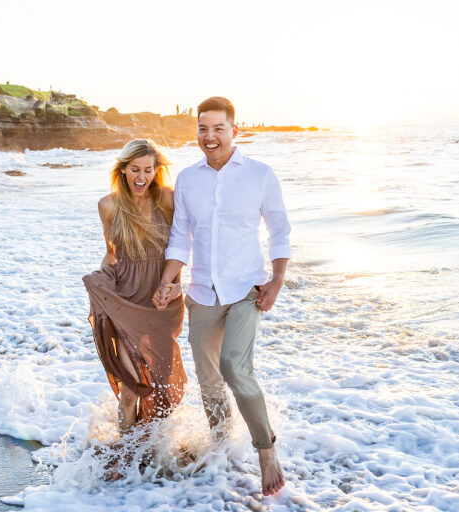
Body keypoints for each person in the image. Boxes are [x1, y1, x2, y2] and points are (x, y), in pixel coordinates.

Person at [153, 97, 290, 496]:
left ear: (235, 130)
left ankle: (266, 450)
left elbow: (279, 229)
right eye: (202, 128)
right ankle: (220, 447)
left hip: (247, 289)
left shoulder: (260, 175)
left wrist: (277, 279)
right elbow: (180, 236)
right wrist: (167, 281)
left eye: (217, 128)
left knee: (234, 367)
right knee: (209, 380)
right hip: (200, 292)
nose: (209, 136)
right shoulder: (188, 179)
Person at [83, 139, 187, 441]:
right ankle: (126, 459)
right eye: (135, 169)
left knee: (164, 387)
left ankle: (154, 453)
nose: (142, 177)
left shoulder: (168, 200)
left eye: (148, 170)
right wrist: (102, 281)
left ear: (157, 171)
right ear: (123, 169)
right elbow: (112, 253)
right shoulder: (108, 205)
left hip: (161, 302)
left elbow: (182, 245)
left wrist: (175, 285)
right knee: (130, 391)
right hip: (125, 300)